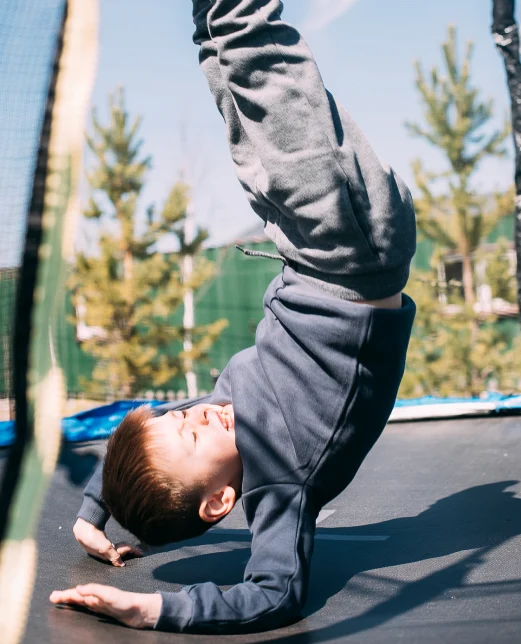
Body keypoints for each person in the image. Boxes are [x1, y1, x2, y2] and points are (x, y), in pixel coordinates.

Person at [50, 0, 416, 633]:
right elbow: (274, 593)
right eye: (193, 431)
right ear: (222, 501)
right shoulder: (280, 482)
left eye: (184, 415)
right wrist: (150, 609)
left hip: (306, 251)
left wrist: (97, 508)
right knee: (256, 50)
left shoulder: (218, 419)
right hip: (346, 250)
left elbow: (147, 429)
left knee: (225, 71)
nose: (194, 413)